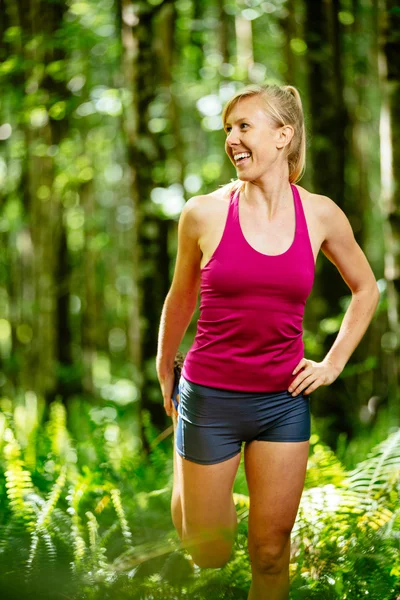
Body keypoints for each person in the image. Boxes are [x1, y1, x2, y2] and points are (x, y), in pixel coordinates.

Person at [156, 83, 380, 600]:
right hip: (209, 398)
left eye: (243, 126)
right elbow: (181, 296)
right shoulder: (204, 213)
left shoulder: (321, 214)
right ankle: (185, 475)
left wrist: (332, 363)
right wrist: (167, 365)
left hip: (284, 402)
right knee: (207, 551)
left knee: (272, 552)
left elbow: (366, 288)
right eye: (228, 130)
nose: (232, 139)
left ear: (283, 136)